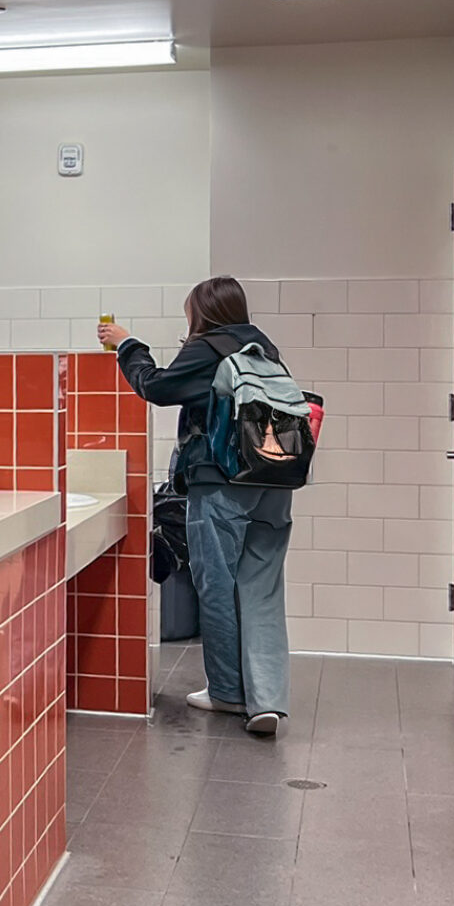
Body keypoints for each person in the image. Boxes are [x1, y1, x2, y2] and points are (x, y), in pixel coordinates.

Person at [99, 276, 292, 737]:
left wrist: (128, 344)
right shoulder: (264, 348)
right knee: (262, 589)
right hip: (275, 480)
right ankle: (267, 701)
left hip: (221, 481)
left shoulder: (210, 346)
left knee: (217, 585)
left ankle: (227, 692)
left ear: (202, 312)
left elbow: (157, 387)